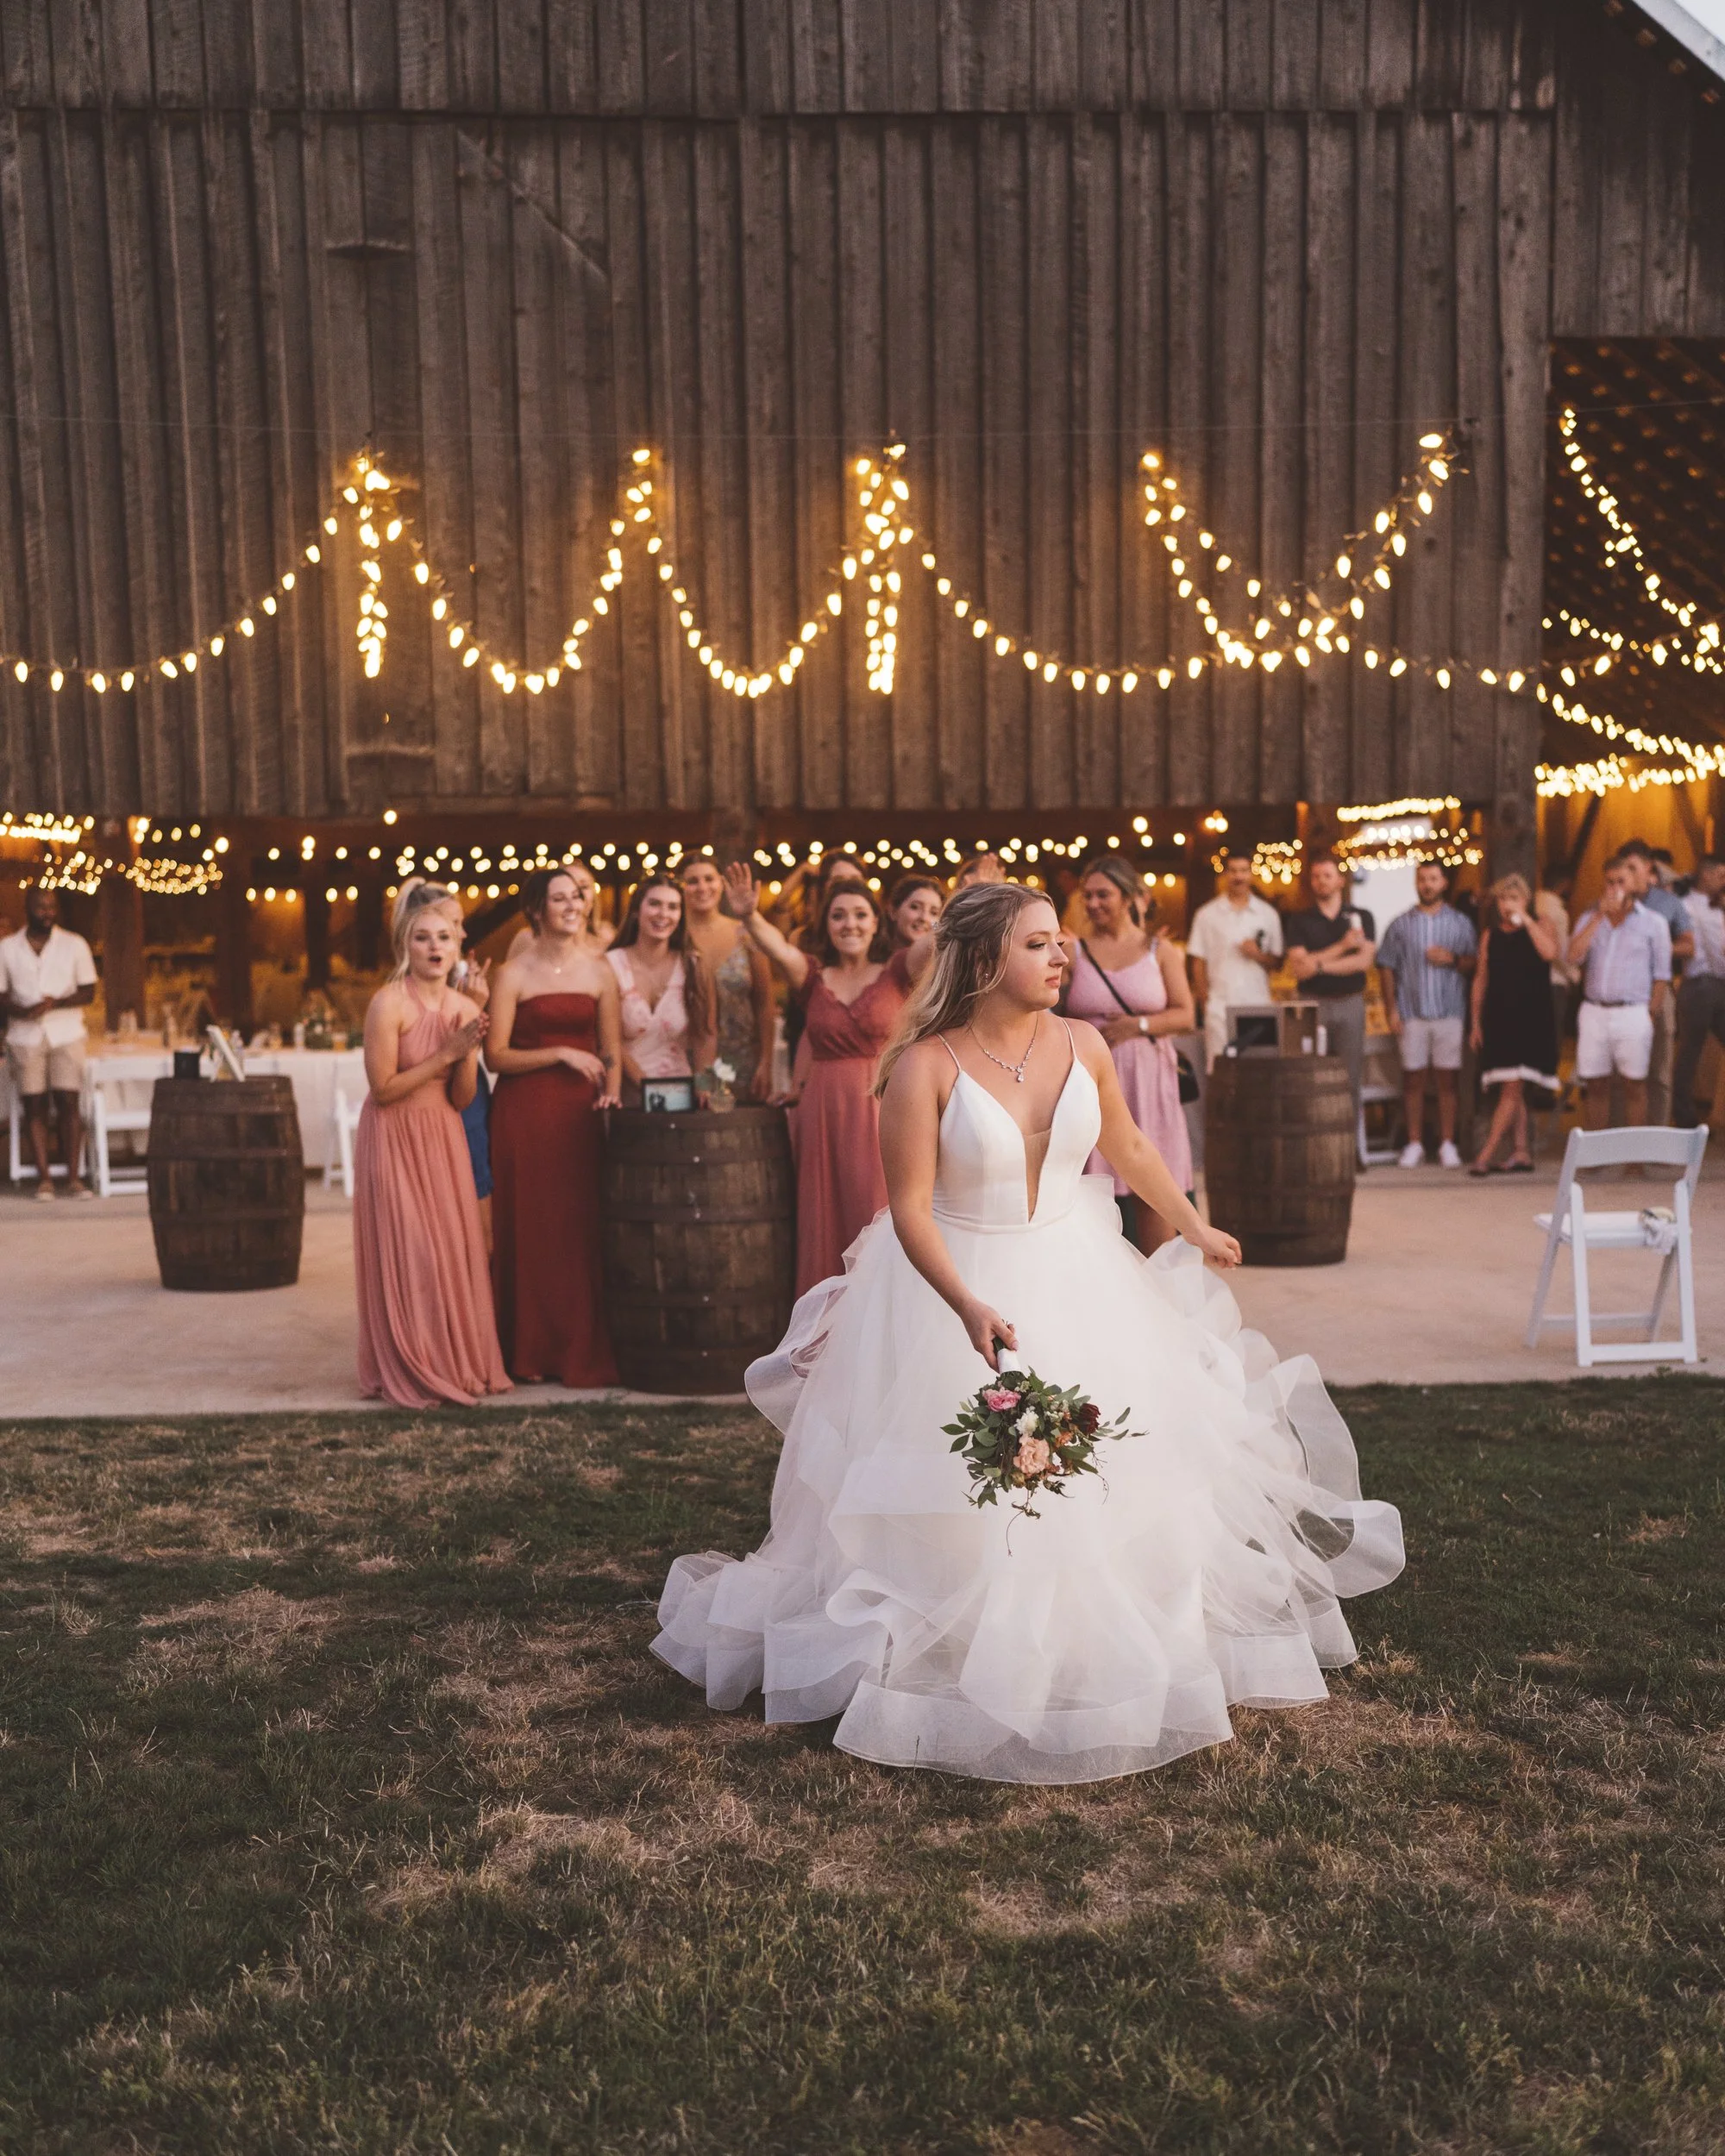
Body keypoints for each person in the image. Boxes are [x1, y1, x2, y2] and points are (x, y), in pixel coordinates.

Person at [652, 882, 1404, 1784]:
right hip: (955, 1284)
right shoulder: (922, 1068)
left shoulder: (1084, 1043)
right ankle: (967, 1631)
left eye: (1061, 943)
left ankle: (1090, 1628)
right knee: (969, 1474)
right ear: (981, 961)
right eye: (1040, 944)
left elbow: (1125, 1147)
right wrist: (964, 1302)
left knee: (1112, 1456)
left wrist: (1189, 1221)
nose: (1062, 959)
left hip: (1078, 1264)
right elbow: (908, 1212)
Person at [722, 862, 931, 1293]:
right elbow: (778, 949)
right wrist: (749, 915)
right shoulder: (813, 976)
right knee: (825, 1214)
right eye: (838, 915)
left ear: (877, 922)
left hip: (883, 1107)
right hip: (823, 1111)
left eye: (859, 914)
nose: (849, 924)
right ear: (826, 924)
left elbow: (935, 943)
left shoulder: (896, 970)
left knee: (880, 1208)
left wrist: (976, 894)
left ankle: (887, 1317)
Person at [353, 884, 511, 1407]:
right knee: (412, 1248)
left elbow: (464, 1097)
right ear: (406, 943)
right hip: (394, 1137)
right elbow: (384, 1089)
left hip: (443, 1136)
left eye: (444, 937)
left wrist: (468, 1043)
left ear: (457, 945)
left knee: (447, 1252)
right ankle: (409, 1362)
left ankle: (452, 1362)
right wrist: (446, 1052)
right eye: (423, 938)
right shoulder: (388, 1003)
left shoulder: (467, 1005)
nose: (435, 947)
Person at [486, 867, 621, 1386]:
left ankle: (573, 1347)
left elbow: (610, 1049)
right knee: (528, 1227)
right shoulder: (513, 972)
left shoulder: (599, 970)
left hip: (578, 1118)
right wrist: (561, 1052)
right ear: (537, 910)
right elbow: (495, 1055)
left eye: (578, 898)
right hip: (524, 1114)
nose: (573, 906)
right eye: (560, 899)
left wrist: (611, 1091)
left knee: (575, 1229)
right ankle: (526, 1352)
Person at [1060, 854, 1194, 1250]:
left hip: (1149, 1079)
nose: (1094, 904)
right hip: (1091, 1079)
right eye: (1088, 896)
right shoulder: (1075, 951)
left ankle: (1165, 1288)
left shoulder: (1161, 950)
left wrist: (1137, 1025)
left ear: (1130, 897)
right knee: (1092, 1189)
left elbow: (1186, 1014)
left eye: (1104, 895)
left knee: (1152, 1184)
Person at [1374, 861, 1477, 1169]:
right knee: (1413, 1080)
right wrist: (1391, 1010)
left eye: (1433, 879)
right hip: (1412, 1012)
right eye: (1422, 879)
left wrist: (1454, 958)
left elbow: (1475, 963)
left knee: (1448, 1081)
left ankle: (1447, 1143)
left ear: (1444, 883)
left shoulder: (1460, 923)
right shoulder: (1400, 924)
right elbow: (1386, 966)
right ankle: (1414, 1142)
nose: (1427, 885)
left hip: (1449, 1011)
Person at [0, 884, 97, 1200]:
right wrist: (24, 1010)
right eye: (42, 907)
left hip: (66, 1032)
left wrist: (53, 1004)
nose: (48, 913)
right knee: (34, 1104)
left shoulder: (74, 944)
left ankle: (74, 1177)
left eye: (52, 907)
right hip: (25, 1035)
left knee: (69, 1101)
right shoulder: (6, 948)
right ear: (28, 908)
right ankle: (44, 1178)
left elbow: (88, 991)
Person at [1567, 853, 1672, 1131]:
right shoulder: (1590, 918)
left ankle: (1633, 1159)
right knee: (1596, 1083)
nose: (1614, 887)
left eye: (1621, 881)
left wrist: (1649, 1014)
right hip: (1594, 1010)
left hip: (1633, 1011)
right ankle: (1597, 1154)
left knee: (1635, 1084)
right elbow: (1574, 956)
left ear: (1634, 883)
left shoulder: (1654, 923)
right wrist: (1600, 915)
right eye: (1609, 882)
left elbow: (1662, 975)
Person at [1466, 874, 1560, 1175]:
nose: (1507, 905)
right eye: (1503, 900)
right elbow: (1481, 979)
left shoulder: (1542, 924)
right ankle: (1521, 1151)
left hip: (1531, 1018)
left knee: (1512, 1087)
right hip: (1500, 1018)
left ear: (1525, 901)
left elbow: (1550, 953)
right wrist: (1476, 1023)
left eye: (1513, 899)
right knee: (1512, 1086)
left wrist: (1527, 923)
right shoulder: (1490, 936)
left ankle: (1486, 1153)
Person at [1283, 855, 1377, 1131]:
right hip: (1311, 1004)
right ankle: (1313, 1142)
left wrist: (1318, 965)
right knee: (1308, 1076)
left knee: (1349, 1077)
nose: (1321, 881)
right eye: (1316, 876)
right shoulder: (1299, 921)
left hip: (1350, 1002)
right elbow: (1299, 970)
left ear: (1340, 880)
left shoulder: (1361, 917)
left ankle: (1348, 1148)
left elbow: (1362, 962)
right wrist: (1342, 946)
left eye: (1327, 875)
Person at [605, 876, 716, 1104]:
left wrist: (704, 1085)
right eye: (655, 904)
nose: (663, 914)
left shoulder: (692, 966)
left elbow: (706, 1034)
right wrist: (649, 1087)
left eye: (673, 907)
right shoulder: (611, 965)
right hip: (626, 1094)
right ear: (636, 910)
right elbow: (609, 1040)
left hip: (680, 1093)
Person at [681, 856, 775, 1100]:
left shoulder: (746, 934)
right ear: (681, 887)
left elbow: (765, 1002)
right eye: (692, 881)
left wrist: (766, 1061)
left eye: (709, 879)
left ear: (722, 884)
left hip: (742, 1059)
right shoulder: (673, 938)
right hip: (686, 1059)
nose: (702, 888)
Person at [1615, 840, 1693, 1124]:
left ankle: (1657, 1137)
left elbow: (1689, 946)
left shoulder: (1668, 903)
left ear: (1649, 868)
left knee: (1659, 1069)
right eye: (1623, 868)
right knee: (1620, 1071)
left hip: (1657, 987)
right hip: (1622, 991)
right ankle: (1617, 1139)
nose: (1628, 874)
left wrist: (1657, 945)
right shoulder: (1610, 902)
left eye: (1633, 868)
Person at [1186, 846, 1283, 1068]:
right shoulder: (1207, 914)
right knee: (1221, 1070)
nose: (1238, 876)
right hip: (1220, 1007)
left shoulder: (1268, 915)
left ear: (1252, 873)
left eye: (1243, 870)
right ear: (1225, 874)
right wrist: (1205, 1002)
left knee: (1258, 1072)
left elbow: (1277, 962)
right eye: (1233, 870)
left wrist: (1257, 955)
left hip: (1258, 1004)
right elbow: (1197, 962)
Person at [1672, 854, 1725, 1126]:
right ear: (1705, 875)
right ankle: (1683, 1114)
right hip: (1700, 984)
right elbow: (1718, 951)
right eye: (1721, 876)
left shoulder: (1717, 906)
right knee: (1690, 1050)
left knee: (1691, 1051)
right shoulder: (1687, 907)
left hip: (1718, 983)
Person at [886, 874, 944, 949]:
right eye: (915, 907)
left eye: (934, 913)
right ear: (893, 911)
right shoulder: (871, 956)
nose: (924, 918)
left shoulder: (947, 959)